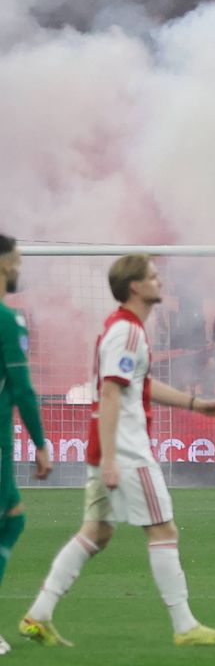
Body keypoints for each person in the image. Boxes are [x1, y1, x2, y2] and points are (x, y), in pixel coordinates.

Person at [20, 254, 215, 648]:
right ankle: (185, 625)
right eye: (153, 276)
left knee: (98, 531)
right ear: (135, 286)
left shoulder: (123, 329)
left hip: (108, 447)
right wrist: (113, 459)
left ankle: (38, 615)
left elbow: (138, 384)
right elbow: (110, 392)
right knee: (163, 530)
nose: (160, 282)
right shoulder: (127, 332)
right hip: (127, 451)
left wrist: (195, 404)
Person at [0, 236, 53, 656]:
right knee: (9, 520)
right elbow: (21, 388)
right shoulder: (7, 321)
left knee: (14, 517)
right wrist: (40, 442)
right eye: (16, 262)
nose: (19, 269)